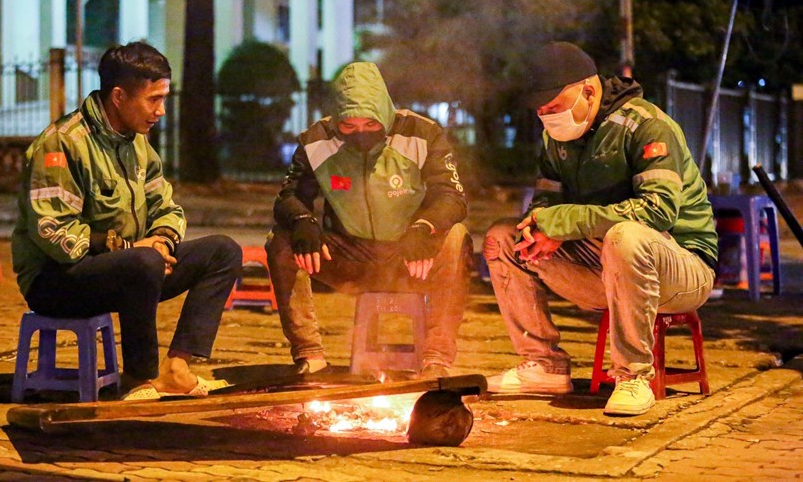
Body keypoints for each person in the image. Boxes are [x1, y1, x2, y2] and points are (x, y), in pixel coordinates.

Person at [483, 42, 717, 416]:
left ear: (588, 91)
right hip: (605, 268)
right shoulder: (555, 138)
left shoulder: (648, 126)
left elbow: (656, 212)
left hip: (682, 270)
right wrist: (538, 228)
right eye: (541, 110)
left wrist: (563, 222)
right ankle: (543, 365)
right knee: (502, 239)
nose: (547, 116)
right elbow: (546, 202)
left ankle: (633, 376)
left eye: (554, 107)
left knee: (626, 236)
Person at [12, 42, 243, 401]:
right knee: (143, 261)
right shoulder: (62, 145)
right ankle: (138, 378)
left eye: (163, 98)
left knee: (223, 252)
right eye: (153, 99)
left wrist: (163, 241)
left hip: (133, 272)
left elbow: (165, 206)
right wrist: (130, 248)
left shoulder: (136, 144)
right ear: (119, 96)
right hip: (57, 280)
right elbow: (52, 233)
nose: (161, 110)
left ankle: (176, 369)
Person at [266, 62, 471, 379]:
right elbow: (289, 197)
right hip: (348, 257)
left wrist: (424, 228)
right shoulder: (316, 141)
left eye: (370, 123)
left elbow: (452, 197)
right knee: (280, 240)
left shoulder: (422, 134)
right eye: (349, 126)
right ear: (337, 120)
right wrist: (303, 220)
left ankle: (436, 358)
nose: (360, 132)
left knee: (456, 237)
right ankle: (310, 355)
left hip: (409, 257)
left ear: (384, 114)